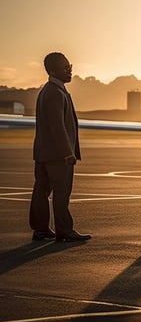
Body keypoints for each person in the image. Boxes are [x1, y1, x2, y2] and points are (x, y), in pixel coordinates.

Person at [29, 52, 91, 242]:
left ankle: (40, 229)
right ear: (54, 71)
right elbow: (58, 127)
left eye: (70, 65)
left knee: (41, 191)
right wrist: (67, 153)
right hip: (57, 155)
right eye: (66, 67)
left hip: (43, 153)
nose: (70, 70)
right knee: (61, 193)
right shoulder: (55, 93)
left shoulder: (47, 91)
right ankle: (65, 230)